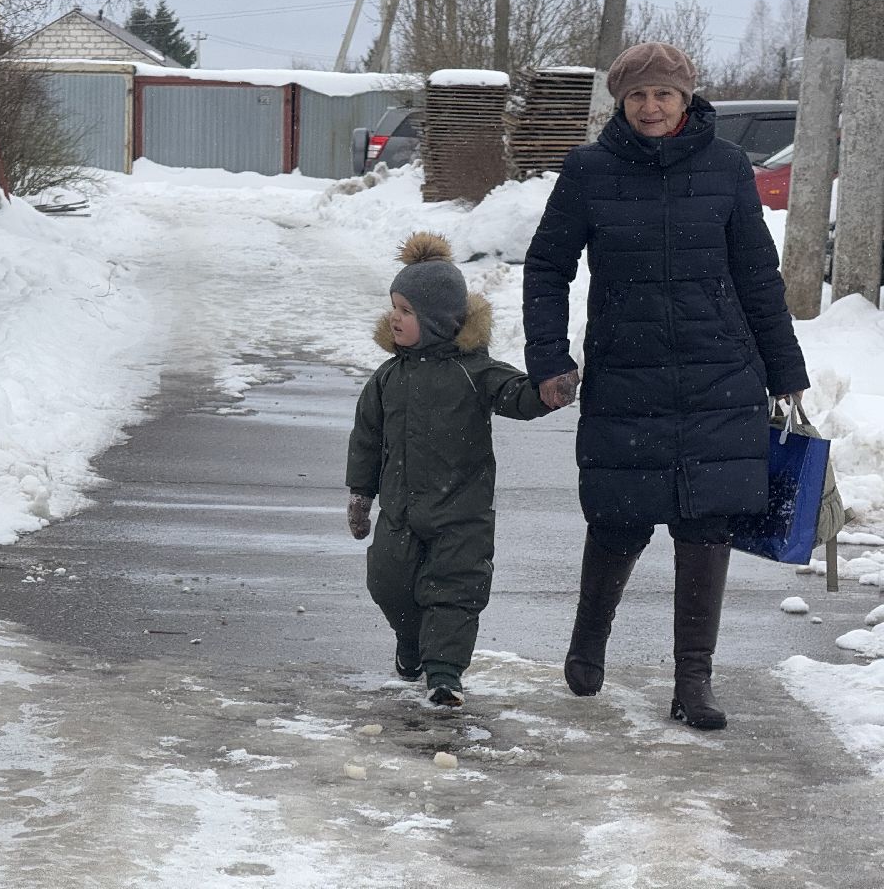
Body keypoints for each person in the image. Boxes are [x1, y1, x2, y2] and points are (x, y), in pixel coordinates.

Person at [523, 41, 809, 730]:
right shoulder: (590, 170)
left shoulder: (727, 167)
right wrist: (548, 356)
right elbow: (546, 266)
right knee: (620, 513)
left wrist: (786, 370)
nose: (652, 107)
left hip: (721, 372)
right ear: (621, 102)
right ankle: (589, 642)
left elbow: (757, 275)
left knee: (705, 525)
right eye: (638, 96)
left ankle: (694, 682)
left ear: (687, 98)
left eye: (666, 95)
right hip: (628, 371)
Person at [346, 232, 552, 707]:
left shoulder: (473, 371)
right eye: (394, 307)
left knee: (454, 591)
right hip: (401, 510)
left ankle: (444, 674)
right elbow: (366, 439)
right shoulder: (388, 378)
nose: (394, 318)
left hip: (462, 511)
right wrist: (361, 494)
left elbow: (517, 394)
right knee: (388, 581)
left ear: (437, 321)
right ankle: (411, 640)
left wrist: (548, 390)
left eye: (406, 311)